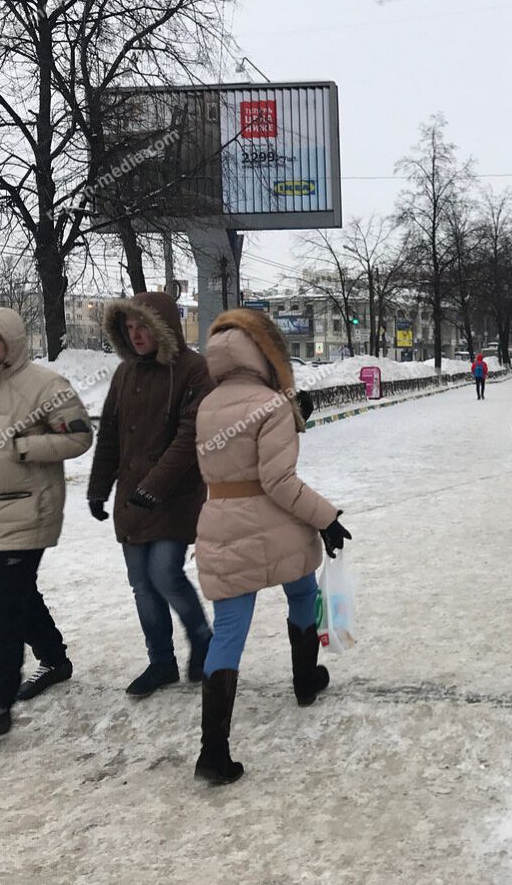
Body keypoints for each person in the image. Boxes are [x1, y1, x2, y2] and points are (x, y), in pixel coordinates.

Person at [191, 309, 352, 785]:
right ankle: (305, 681)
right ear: (265, 353)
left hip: (221, 522)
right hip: (276, 523)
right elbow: (278, 481)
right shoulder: (271, 403)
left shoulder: (208, 405)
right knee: (301, 592)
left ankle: (213, 754)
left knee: (228, 632)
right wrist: (328, 517)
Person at [0, 308, 93, 736]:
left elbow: (79, 435)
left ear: (11, 339)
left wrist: (25, 447)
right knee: (19, 595)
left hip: (29, 509)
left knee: (2, 606)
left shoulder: (46, 385)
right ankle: (55, 658)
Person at [88, 292, 215, 698]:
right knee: (141, 583)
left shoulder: (194, 371)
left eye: (143, 326)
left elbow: (189, 437)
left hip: (175, 496)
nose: (136, 334)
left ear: (162, 327)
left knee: (164, 573)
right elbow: (109, 433)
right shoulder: (125, 374)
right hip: (131, 497)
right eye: (129, 327)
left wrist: (154, 488)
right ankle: (161, 660)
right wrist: (98, 488)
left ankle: (202, 639)